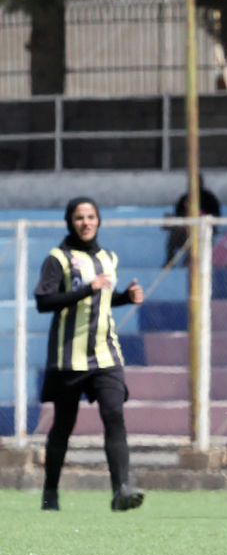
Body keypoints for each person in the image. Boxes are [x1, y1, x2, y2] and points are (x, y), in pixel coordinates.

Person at [35, 197, 146, 512]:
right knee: (63, 425)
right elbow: (44, 302)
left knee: (114, 415)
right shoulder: (58, 259)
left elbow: (101, 302)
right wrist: (87, 288)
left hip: (106, 355)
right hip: (68, 357)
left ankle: (121, 490)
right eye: (79, 217)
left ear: (99, 221)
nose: (86, 222)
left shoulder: (109, 257)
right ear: (70, 221)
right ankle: (50, 493)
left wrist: (125, 297)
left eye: (91, 217)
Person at [164, 175, 221, 266]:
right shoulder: (185, 198)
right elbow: (178, 216)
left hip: (202, 231)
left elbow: (216, 216)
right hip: (185, 230)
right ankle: (170, 260)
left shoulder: (209, 198)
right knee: (176, 232)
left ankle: (190, 262)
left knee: (194, 235)